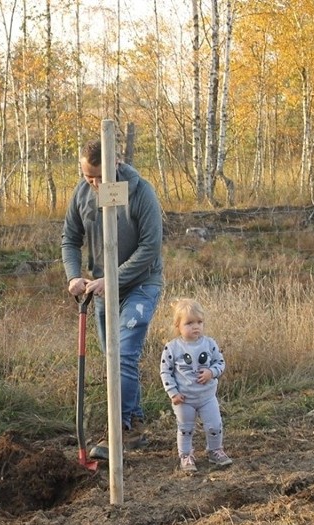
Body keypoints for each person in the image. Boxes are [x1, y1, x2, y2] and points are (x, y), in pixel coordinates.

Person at [62, 139, 164, 461]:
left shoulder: (141, 192)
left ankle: (117, 430)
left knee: (122, 355)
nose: (91, 183)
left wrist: (114, 277)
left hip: (141, 284)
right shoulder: (82, 193)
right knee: (112, 359)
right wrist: (74, 276)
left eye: (96, 177)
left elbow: (150, 248)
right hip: (102, 287)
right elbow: (70, 239)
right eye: (87, 176)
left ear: (114, 164)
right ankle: (134, 424)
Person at [160, 298, 233, 474]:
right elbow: (165, 372)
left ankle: (215, 451)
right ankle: (185, 456)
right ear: (178, 325)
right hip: (184, 399)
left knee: (215, 425)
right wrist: (173, 393)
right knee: (185, 428)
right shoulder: (172, 348)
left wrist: (212, 372)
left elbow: (220, 363)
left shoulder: (209, 344)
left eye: (199, 322)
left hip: (207, 397)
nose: (196, 327)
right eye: (189, 323)